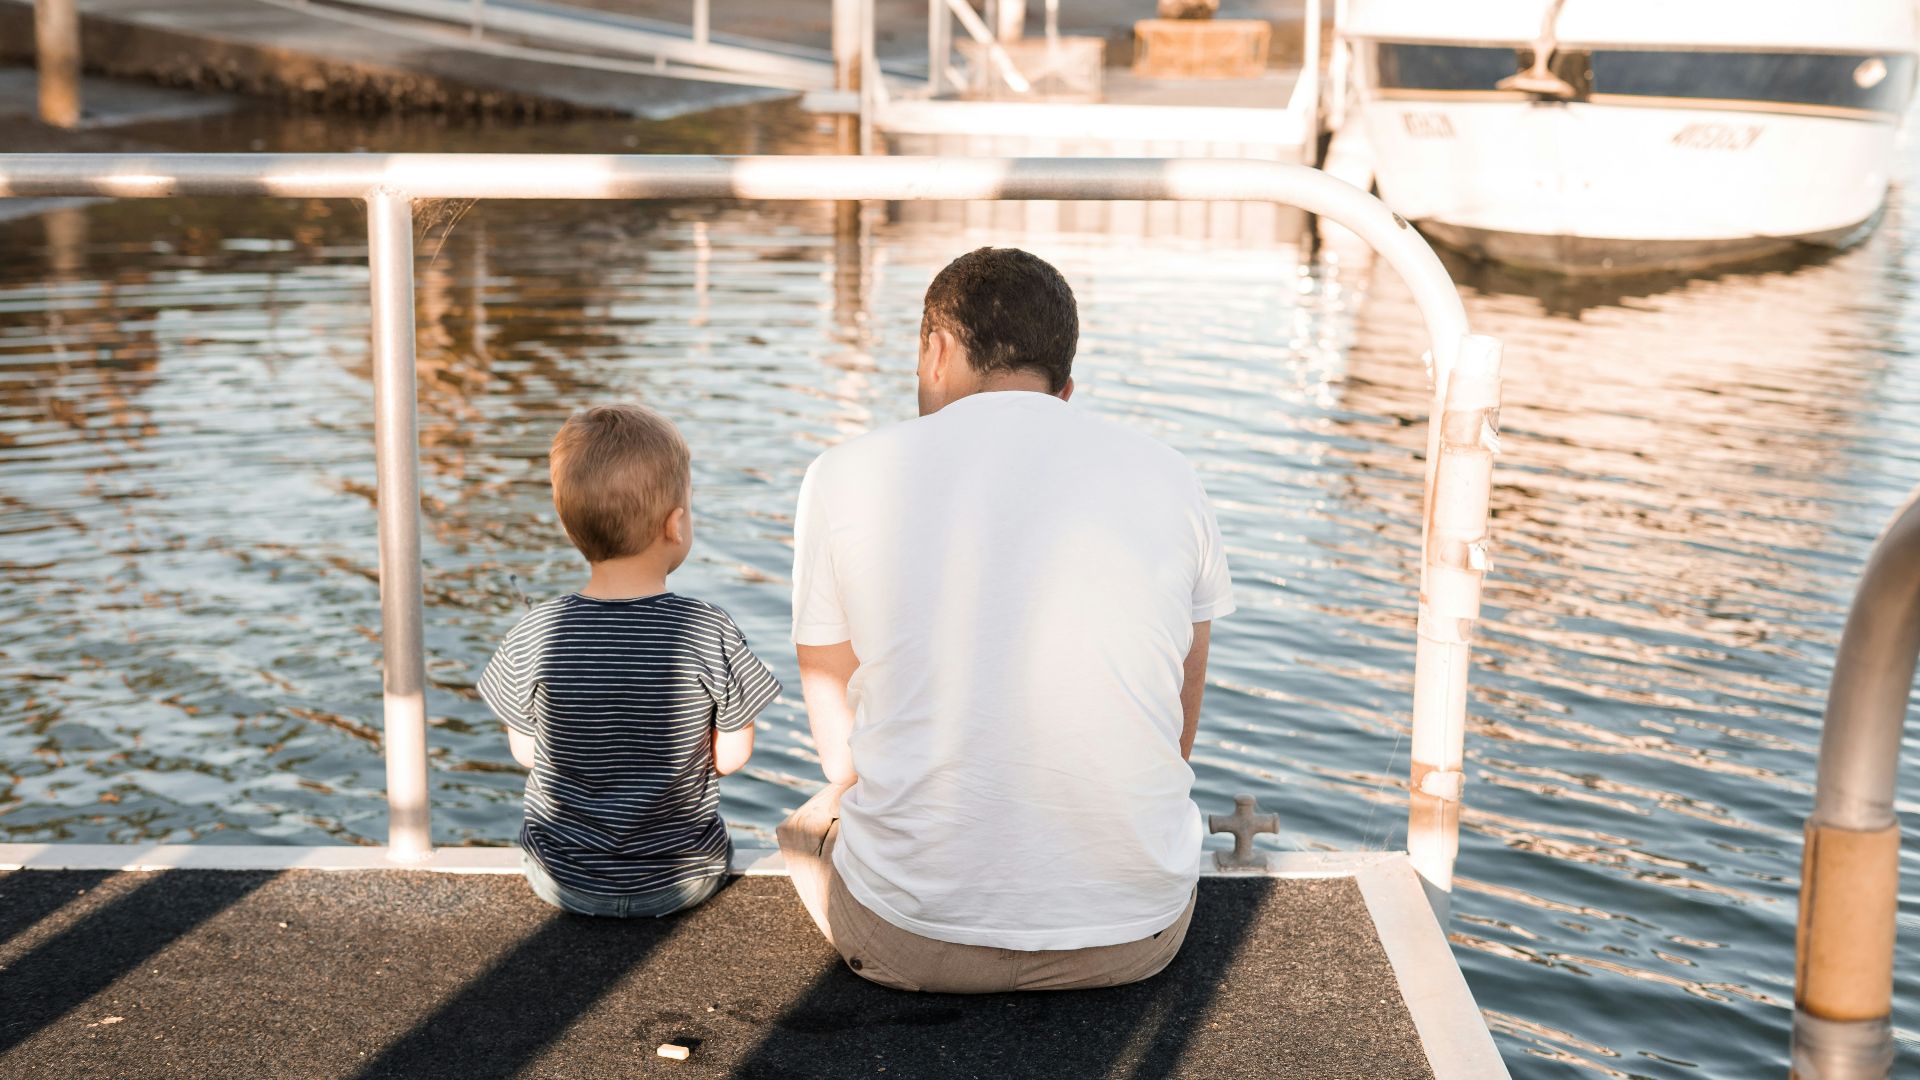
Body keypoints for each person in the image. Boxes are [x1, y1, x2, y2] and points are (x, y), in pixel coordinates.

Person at [779, 247, 1235, 992]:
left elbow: (842, 757)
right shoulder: (1172, 475)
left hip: (911, 941)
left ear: (935, 350)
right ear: (1066, 387)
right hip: (1137, 937)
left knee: (816, 814)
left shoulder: (842, 475)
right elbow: (1174, 736)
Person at [479, 404, 782, 918]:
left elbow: (527, 754)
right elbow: (732, 757)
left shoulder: (535, 630)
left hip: (563, 878)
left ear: (569, 524)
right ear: (676, 524)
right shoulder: (710, 628)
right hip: (682, 879)